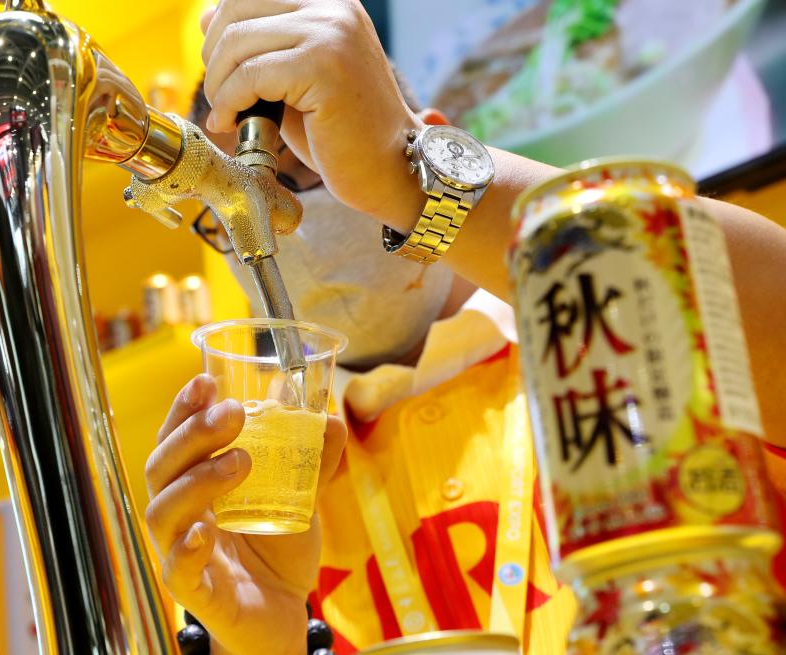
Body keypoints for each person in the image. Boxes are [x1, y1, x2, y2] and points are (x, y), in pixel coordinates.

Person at [143, 2, 786, 654]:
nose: (273, 223)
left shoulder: (615, 347)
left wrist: (410, 177)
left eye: (303, 174)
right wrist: (269, 642)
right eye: (226, 208)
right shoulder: (264, 502)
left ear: (432, 140)